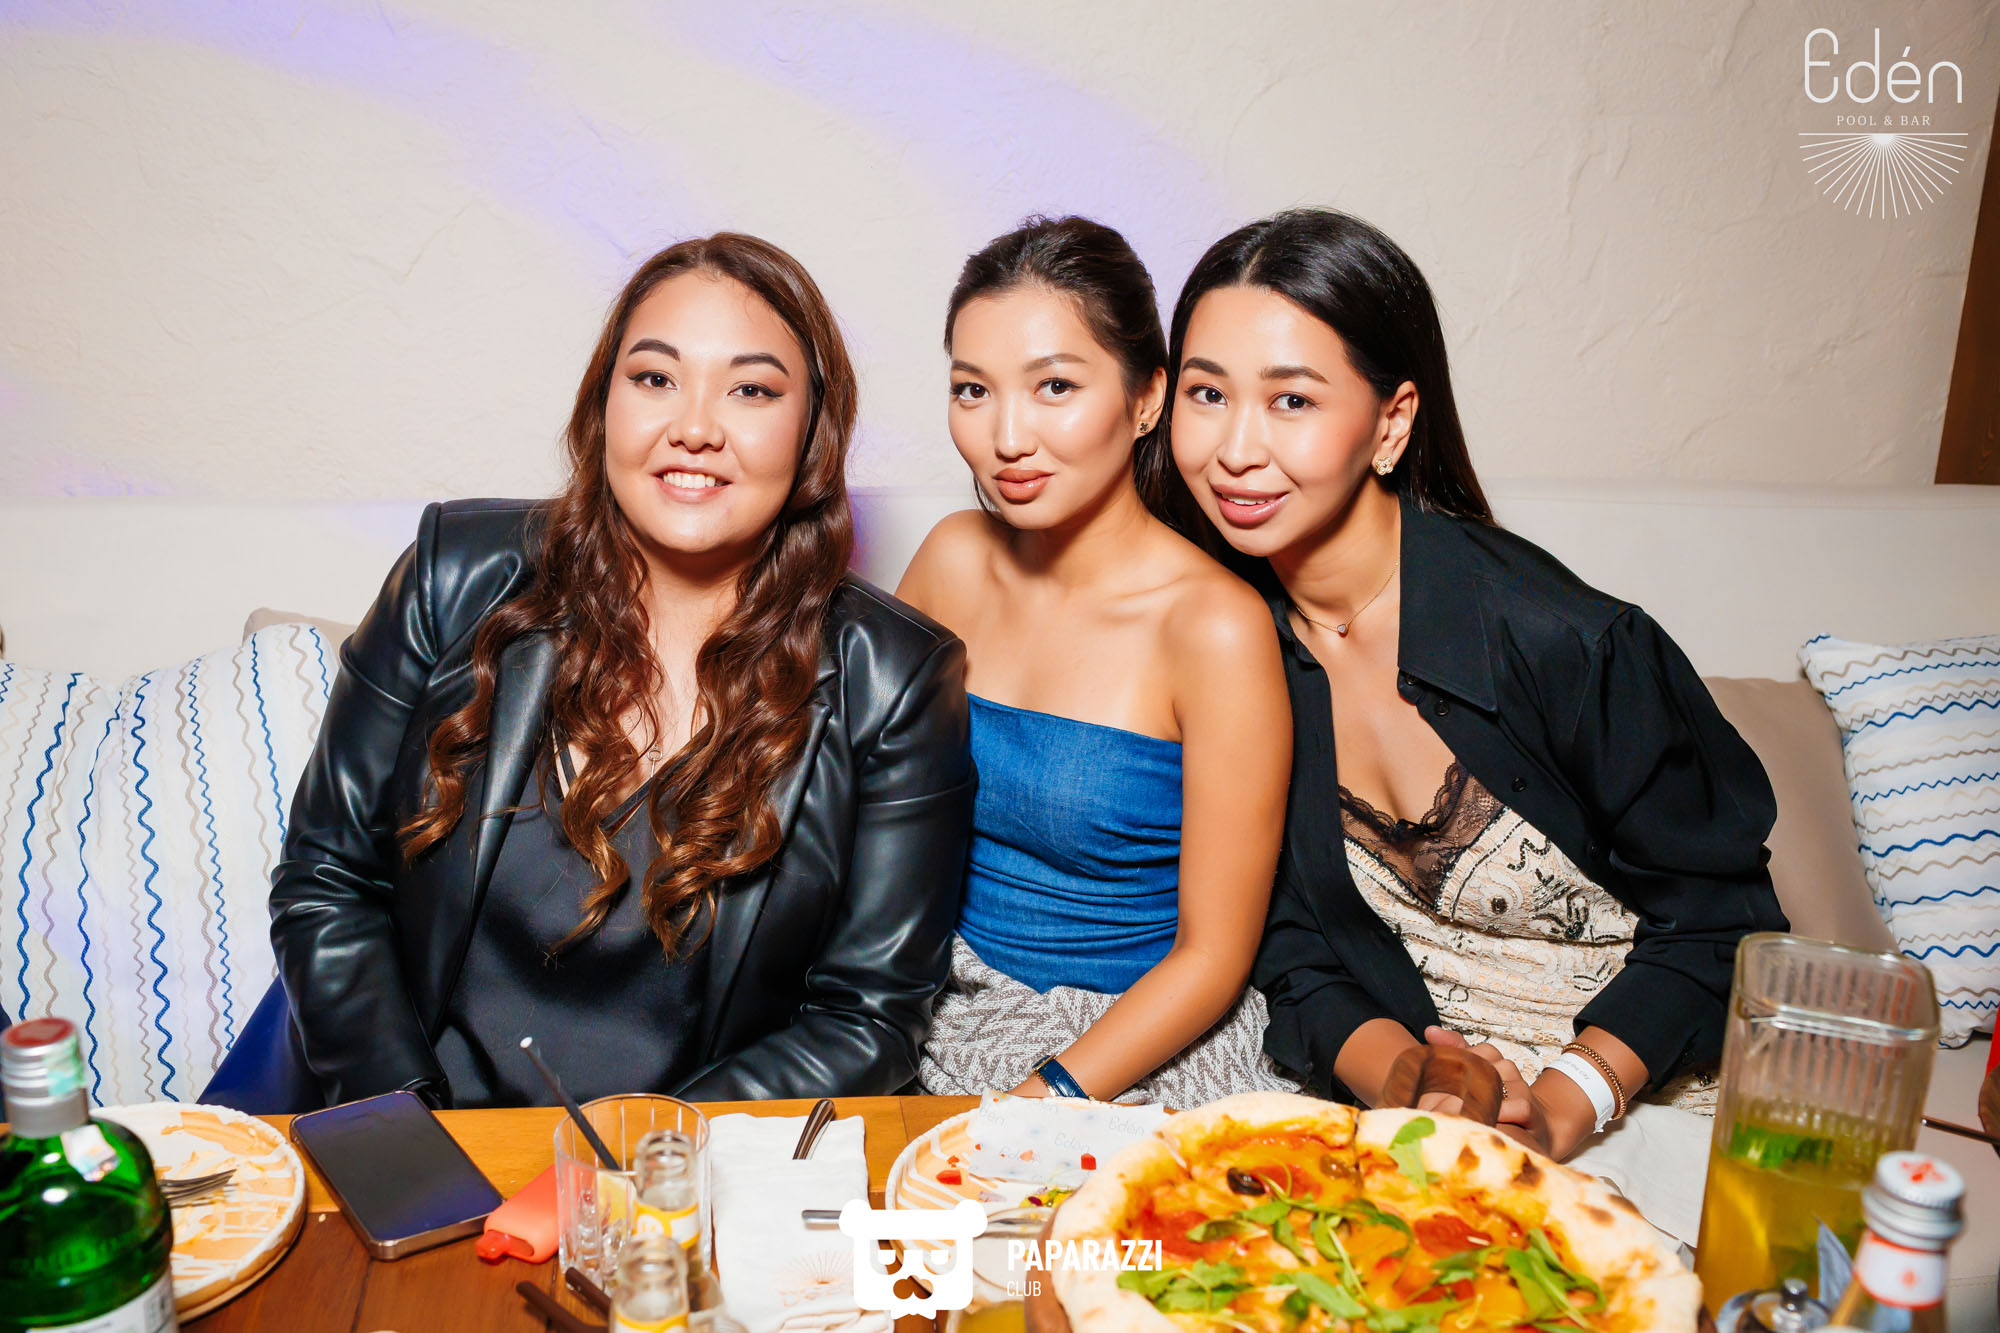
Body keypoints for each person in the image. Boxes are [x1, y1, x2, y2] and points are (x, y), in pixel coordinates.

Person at [1166, 208, 1788, 1230]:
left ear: (1390, 423)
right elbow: (1291, 950)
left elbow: (1724, 926)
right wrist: (1407, 1078)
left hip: (1643, 1098)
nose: (1235, 448)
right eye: (1206, 394)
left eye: (1291, 399)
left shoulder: (1562, 639)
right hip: (1425, 1124)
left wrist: (1562, 1101)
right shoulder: (1227, 646)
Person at [265, 233, 974, 1109]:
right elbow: (327, 879)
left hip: (691, 1164)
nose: (695, 428)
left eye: (752, 390)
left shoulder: (895, 681)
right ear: (605, 403)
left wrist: (659, 1156)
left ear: (813, 434)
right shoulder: (452, 575)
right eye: (655, 377)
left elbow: (868, 1018)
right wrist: (411, 1133)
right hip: (423, 1134)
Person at [899, 216, 1294, 1106]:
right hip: (933, 1001)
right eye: (973, 390)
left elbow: (1213, 956)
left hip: (1126, 1047)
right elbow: (853, 807)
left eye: (1055, 386)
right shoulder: (952, 558)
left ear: (1148, 398)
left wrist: (1041, 1102)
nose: (1007, 436)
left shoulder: (1215, 627)